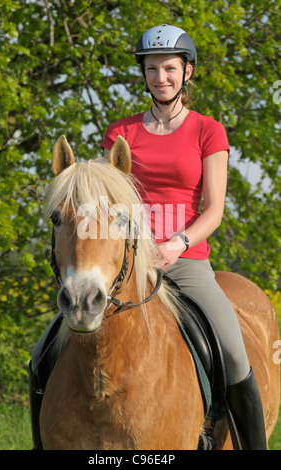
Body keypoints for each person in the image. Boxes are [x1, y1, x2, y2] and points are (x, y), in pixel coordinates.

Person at [101, 24, 267, 450]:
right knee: (49, 347)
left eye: (170, 68)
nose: (161, 77)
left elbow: (213, 210)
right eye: (152, 68)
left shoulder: (208, 131)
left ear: (187, 71)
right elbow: (109, 203)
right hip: (126, 264)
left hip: (186, 260)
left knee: (234, 353)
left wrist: (177, 242)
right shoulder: (120, 133)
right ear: (144, 73)